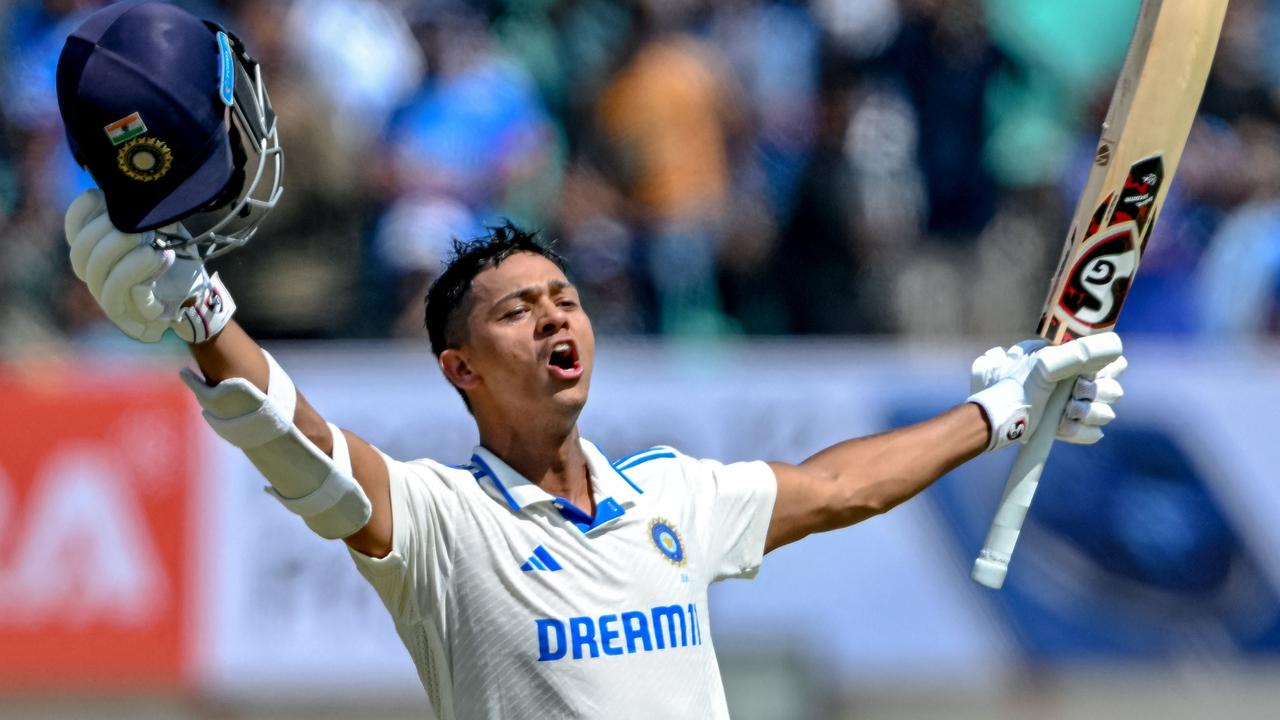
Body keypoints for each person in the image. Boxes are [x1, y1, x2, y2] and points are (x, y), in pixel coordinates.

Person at [55, 4, 1127, 719]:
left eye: (564, 301)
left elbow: (840, 486)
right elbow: (306, 455)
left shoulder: (668, 494)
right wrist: (197, 309)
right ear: (457, 367)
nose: (556, 321)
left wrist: (1005, 408)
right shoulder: (442, 524)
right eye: (517, 313)